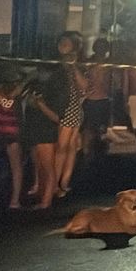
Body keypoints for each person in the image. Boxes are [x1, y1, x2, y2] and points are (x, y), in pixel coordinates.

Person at [52, 32, 87, 198]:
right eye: (60, 43)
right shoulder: (55, 64)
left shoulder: (78, 65)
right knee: (63, 147)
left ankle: (61, 183)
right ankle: (57, 183)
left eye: (66, 44)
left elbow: (84, 86)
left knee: (67, 147)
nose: (62, 47)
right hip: (63, 109)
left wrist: (73, 66)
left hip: (73, 109)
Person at [20, 67, 61, 209]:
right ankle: (42, 196)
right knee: (41, 167)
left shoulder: (55, 91)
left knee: (48, 168)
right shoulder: (32, 86)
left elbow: (57, 117)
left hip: (46, 132)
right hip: (35, 131)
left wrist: (41, 104)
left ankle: (46, 201)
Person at [82, 38, 115, 161]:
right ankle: (86, 154)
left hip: (104, 99)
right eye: (99, 46)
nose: (101, 49)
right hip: (91, 100)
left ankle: (98, 154)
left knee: (101, 129)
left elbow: (112, 82)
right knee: (88, 129)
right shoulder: (88, 63)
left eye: (103, 47)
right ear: (95, 48)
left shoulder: (109, 64)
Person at [0, 68, 22, 210]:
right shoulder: (10, 95)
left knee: (15, 166)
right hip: (9, 131)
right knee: (16, 166)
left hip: (3, 131)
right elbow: (7, 105)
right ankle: (15, 201)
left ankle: (15, 200)